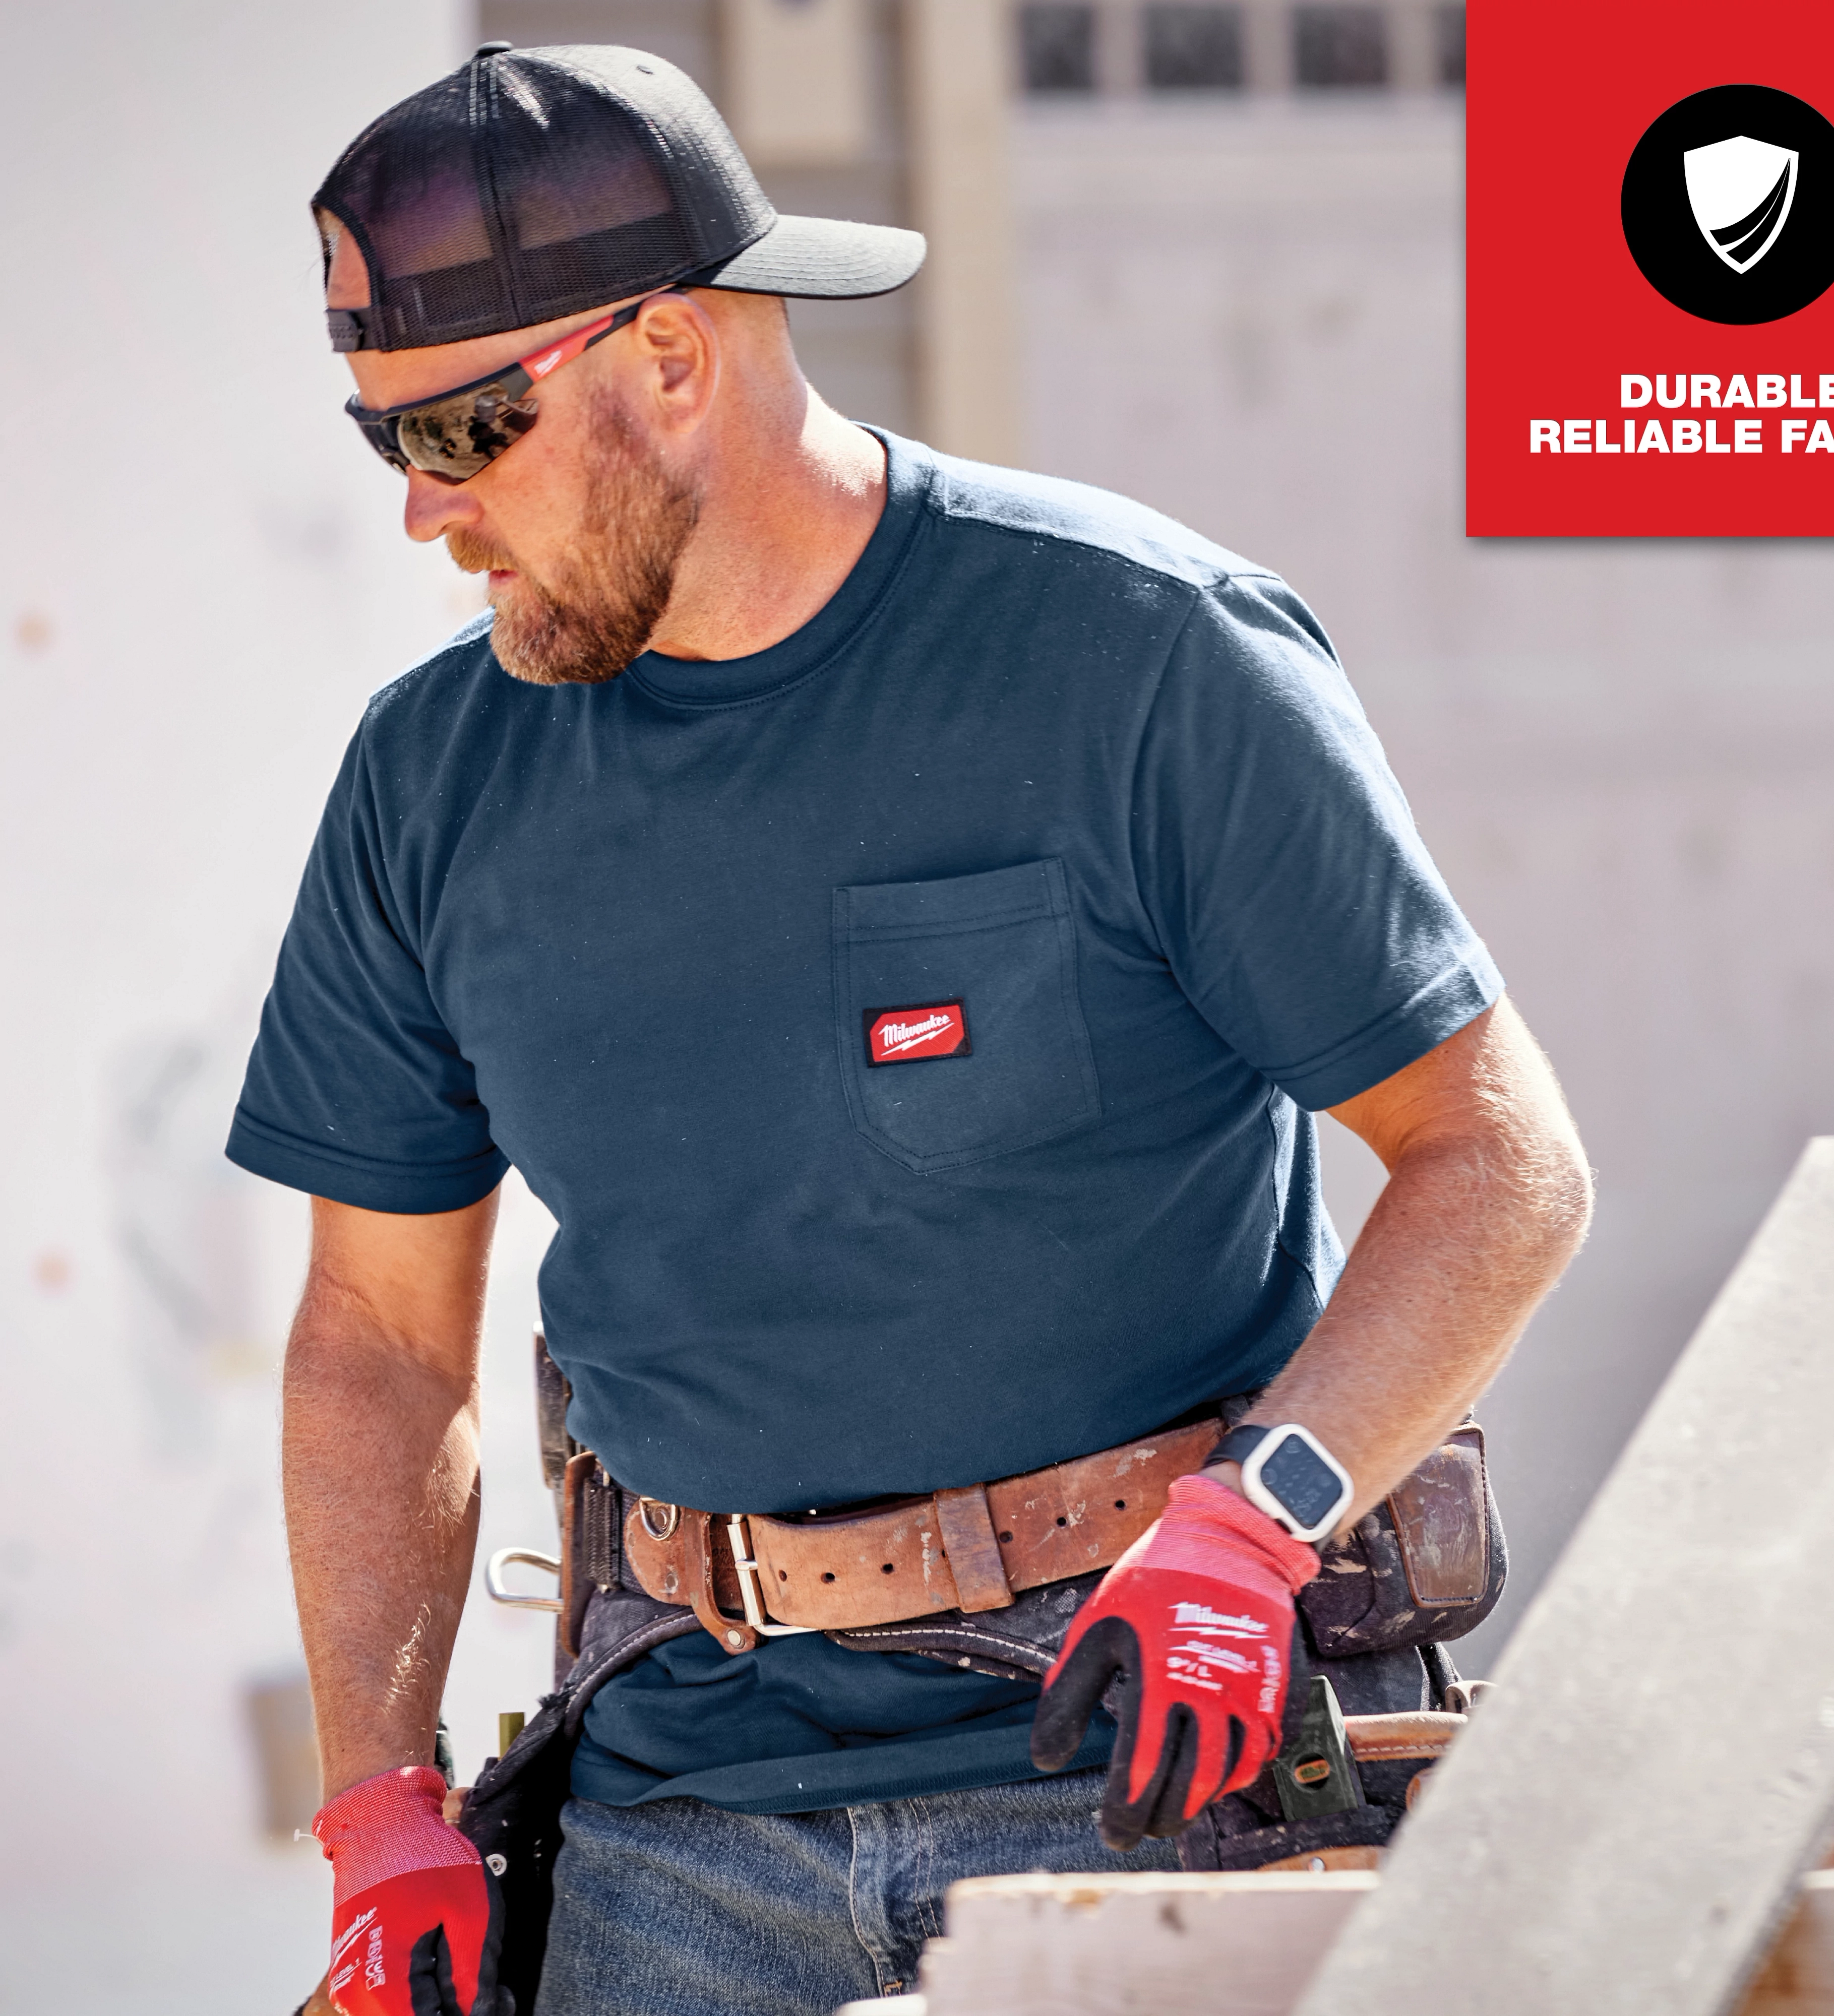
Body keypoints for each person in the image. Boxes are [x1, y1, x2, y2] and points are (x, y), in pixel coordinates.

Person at [240, 40, 1592, 2016]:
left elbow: (1496, 1161)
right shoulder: (428, 779)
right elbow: (371, 1336)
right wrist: (380, 1801)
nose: (423, 515)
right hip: (668, 1839)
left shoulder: (1139, 656)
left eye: (459, 434)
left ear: (674, 358)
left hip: (1136, 1791)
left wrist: (1259, 1525)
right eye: (384, 443)